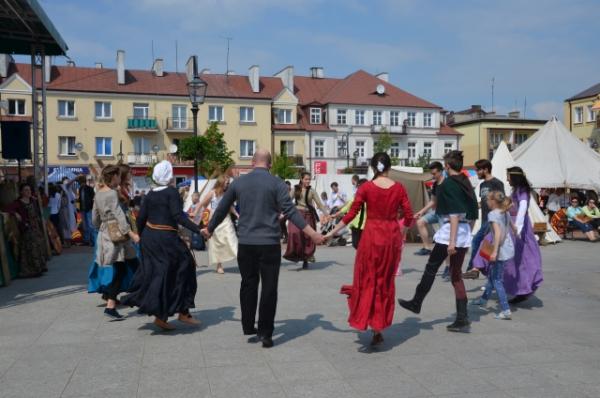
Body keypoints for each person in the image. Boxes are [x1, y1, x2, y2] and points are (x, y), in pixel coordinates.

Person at [202, 149, 324, 348]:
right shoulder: (276, 183)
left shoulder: (239, 183)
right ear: (270, 164)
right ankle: (266, 333)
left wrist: (209, 228)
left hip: (247, 243)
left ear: (252, 162)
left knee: (248, 283)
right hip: (269, 244)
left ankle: (249, 325)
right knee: (269, 287)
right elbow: (291, 212)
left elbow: (222, 207)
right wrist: (313, 234)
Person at [325, 153, 413, 345]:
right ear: (389, 168)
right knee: (385, 282)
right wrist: (401, 232)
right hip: (390, 238)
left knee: (368, 280)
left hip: (371, 238)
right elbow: (409, 215)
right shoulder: (399, 188)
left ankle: (369, 320)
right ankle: (378, 326)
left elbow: (350, 214)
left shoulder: (366, 188)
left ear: (373, 168)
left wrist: (332, 233)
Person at [398, 150, 478, 333]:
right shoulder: (466, 182)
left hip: (452, 231)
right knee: (456, 274)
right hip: (464, 232)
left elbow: (455, 214)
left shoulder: (449, 184)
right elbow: (474, 211)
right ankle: (462, 317)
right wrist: (467, 234)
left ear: (447, 166)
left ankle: (416, 302)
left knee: (431, 267)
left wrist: (451, 242)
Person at [122, 161, 201, 330]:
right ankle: (183, 312)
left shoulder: (150, 194)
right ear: (169, 174)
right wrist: (198, 229)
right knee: (185, 267)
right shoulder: (171, 192)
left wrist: (140, 238)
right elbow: (178, 216)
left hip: (151, 238)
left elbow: (141, 218)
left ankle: (162, 317)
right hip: (166, 239)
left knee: (161, 275)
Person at [471, 166, 544, 304]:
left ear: (514, 177)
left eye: (508, 176)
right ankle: (478, 267)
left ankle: (521, 289)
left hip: (516, 226)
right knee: (490, 243)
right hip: (509, 222)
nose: (507, 179)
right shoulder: (516, 190)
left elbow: (522, 209)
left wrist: (519, 229)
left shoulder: (523, 191)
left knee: (519, 260)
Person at [91, 165, 140, 319]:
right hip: (119, 236)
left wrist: (103, 227)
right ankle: (111, 305)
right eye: (118, 176)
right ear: (113, 177)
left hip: (106, 233)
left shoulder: (98, 194)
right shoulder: (112, 193)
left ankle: (117, 302)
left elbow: (94, 218)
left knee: (130, 266)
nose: (119, 179)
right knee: (128, 268)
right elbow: (119, 215)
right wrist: (132, 234)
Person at [470, 191, 516, 320]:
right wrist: (516, 233)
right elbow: (514, 227)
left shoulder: (493, 214)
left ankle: (506, 310)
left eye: (487, 200)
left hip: (499, 249)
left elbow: (497, 233)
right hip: (506, 247)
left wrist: (495, 251)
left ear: (493, 201)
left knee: (496, 280)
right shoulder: (504, 212)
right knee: (492, 275)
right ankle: (483, 300)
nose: (486, 202)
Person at [463, 159, 505, 279]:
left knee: (476, 241)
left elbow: (502, 201)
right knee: (486, 248)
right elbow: (483, 203)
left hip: (493, 220)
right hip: (484, 220)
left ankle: (473, 268)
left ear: (485, 169)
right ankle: (487, 275)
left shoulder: (497, 183)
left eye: (478, 170)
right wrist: (472, 206)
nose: (476, 172)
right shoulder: (482, 185)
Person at [283, 172, 329, 269]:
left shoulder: (312, 191)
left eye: (309, 179)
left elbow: (320, 204)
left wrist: (327, 214)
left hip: (308, 215)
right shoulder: (295, 189)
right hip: (296, 215)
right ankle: (294, 254)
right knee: (294, 232)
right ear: (301, 179)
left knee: (307, 237)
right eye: (306, 179)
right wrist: (279, 210)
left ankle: (306, 258)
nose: (308, 181)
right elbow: (286, 201)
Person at [5, 184, 48, 278]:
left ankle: (40, 267)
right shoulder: (18, 202)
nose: (28, 192)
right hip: (27, 227)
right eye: (26, 190)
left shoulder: (33, 200)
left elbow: (39, 210)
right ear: (21, 192)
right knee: (31, 247)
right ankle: (32, 270)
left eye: (29, 190)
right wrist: (15, 213)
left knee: (39, 245)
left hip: (35, 226)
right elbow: (7, 209)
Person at [199, 174, 239, 274]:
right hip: (214, 220)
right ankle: (219, 265)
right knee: (216, 244)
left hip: (226, 219)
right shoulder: (212, 193)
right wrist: (199, 214)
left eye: (228, 183)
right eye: (226, 183)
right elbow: (202, 204)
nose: (228, 185)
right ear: (221, 183)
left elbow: (230, 207)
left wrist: (237, 215)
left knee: (232, 239)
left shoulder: (227, 194)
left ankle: (242, 259)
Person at [335, 178, 368, 249]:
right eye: (358, 187)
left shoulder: (371, 198)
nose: (359, 189)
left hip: (366, 226)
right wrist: (336, 214)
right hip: (355, 225)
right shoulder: (356, 197)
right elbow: (347, 206)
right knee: (356, 244)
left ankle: (364, 257)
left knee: (365, 245)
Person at [59, 176, 77, 248]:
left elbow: (73, 200)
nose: (68, 182)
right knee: (66, 225)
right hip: (65, 210)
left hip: (71, 210)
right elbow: (68, 183)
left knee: (69, 225)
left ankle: (68, 242)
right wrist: (75, 178)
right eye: (66, 181)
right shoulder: (64, 187)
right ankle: (66, 242)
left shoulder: (70, 190)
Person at [79, 175, 96, 246]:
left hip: (88, 209)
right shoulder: (81, 189)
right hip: (83, 209)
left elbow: (93, 198)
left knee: (90, 225)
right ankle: (86, 240)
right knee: (85, 225)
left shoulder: (89, 188)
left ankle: (92, 241)